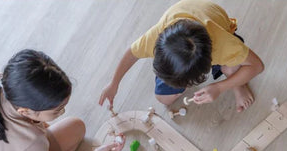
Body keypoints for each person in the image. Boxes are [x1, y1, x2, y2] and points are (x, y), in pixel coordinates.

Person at [99, 0, 264, 112]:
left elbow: (257, 66)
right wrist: (114, 83)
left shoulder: (224, 46)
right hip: (190, 26)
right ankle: (232, 80)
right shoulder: (157, 36)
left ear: (205, 66)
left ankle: (237, 85)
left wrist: (220, 87)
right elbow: (131, 54)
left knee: (232, 68)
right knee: (164, 98)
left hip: (217, 27)